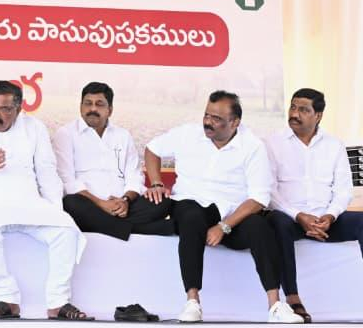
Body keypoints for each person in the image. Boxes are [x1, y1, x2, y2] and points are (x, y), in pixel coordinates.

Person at [144, 90, 302, 323]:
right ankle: (192, 302)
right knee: (191, 216)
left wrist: (224, 226)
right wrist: (157, 182)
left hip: (232, 214)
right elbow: (152, 149)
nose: (208, 122)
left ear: (235, 122)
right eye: (207, 115)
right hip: (191, 203)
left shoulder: (252, 146)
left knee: (260, 227)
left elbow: (259, 197)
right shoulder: (188, 134)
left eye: (216, 118)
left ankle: (275, 305)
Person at [0, 80, 91, 320]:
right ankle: (7, 299)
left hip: (27, 205)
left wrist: (55, 211)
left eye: (4, 109)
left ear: (18, 109)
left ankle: (58, 303)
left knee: (66, 231)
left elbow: (46, 171)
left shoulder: (34, 128)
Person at [263, 88, 362, 323]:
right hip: (289, 217)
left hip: (325, 221)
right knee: (276, 222)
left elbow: (343, 190)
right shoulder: (271, 143)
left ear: (318, 115)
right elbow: (268, 191)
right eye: (293, 107)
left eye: (303, 110)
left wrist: (330, 216)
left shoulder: (334, 145)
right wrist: (298, 215)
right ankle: (293, 299)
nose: (294, 114)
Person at [52, 82, 172, 240]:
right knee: (71, 203)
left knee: (163, 202)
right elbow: (67, 181)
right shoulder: (66, 134)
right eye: (88, 103)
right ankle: (135, 229)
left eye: (99, 104)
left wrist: (125, 201)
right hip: (89, 205)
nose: (92, 109)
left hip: (123, 207)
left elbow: (135, 176)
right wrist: (102, 204)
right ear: (80, 106)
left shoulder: (122, 136)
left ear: (110, 110)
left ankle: (114, 226)